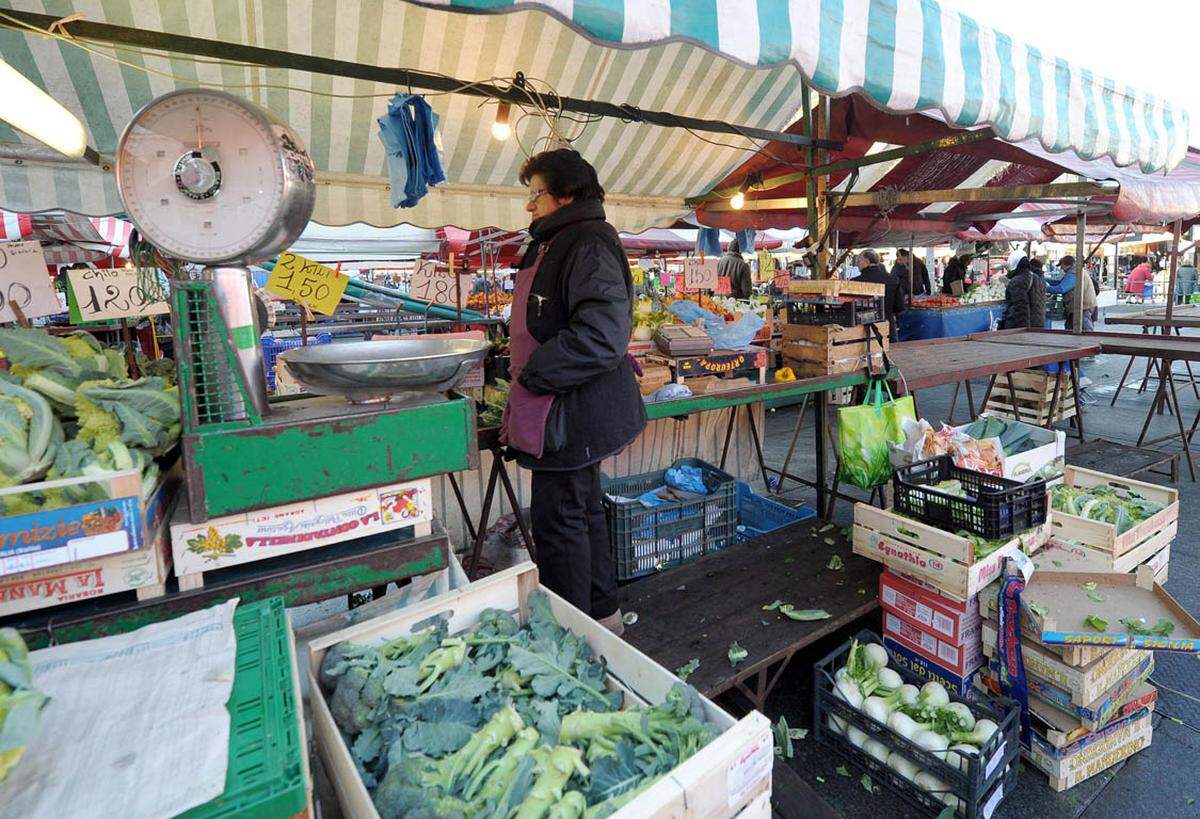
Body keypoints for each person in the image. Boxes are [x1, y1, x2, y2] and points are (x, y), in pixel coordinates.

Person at [502, 148, 647, 634]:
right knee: (581, 512)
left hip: (569, 408)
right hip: (563, 403)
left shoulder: (586, 241)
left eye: (536, 194)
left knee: (560, 521)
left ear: (566, 194)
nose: (530, 206)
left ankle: (570, 633)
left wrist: (535, 373)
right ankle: (602, 620)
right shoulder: (559, 239)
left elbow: (602, 334)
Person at [854, 249, 906, 341]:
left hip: (862, 330)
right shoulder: (893, 280)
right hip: (887, 326)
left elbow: (849, 308)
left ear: (867, 262)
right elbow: (899, 307)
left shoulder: (854, 282)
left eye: (858, 261)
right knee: (890, 353)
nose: (857, 264)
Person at [1045, 255, 1095, 330]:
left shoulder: (1073, 273)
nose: (1061, 269)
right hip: (1080, 306)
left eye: (1061, 266)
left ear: (1067, 265)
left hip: (1082, 307)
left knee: (1085, 330)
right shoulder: (1076, 271)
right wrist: (1046, 280)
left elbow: (1062, 288)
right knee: (1070, 328)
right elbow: (1061, 283)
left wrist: (1045, 288)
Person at [1000, 251, 1046, 329]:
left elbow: (1020, 307)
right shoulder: (1036, 277)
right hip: (1037, 323)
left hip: (1022, 326)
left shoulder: (1017, 281)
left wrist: (1022, 329)